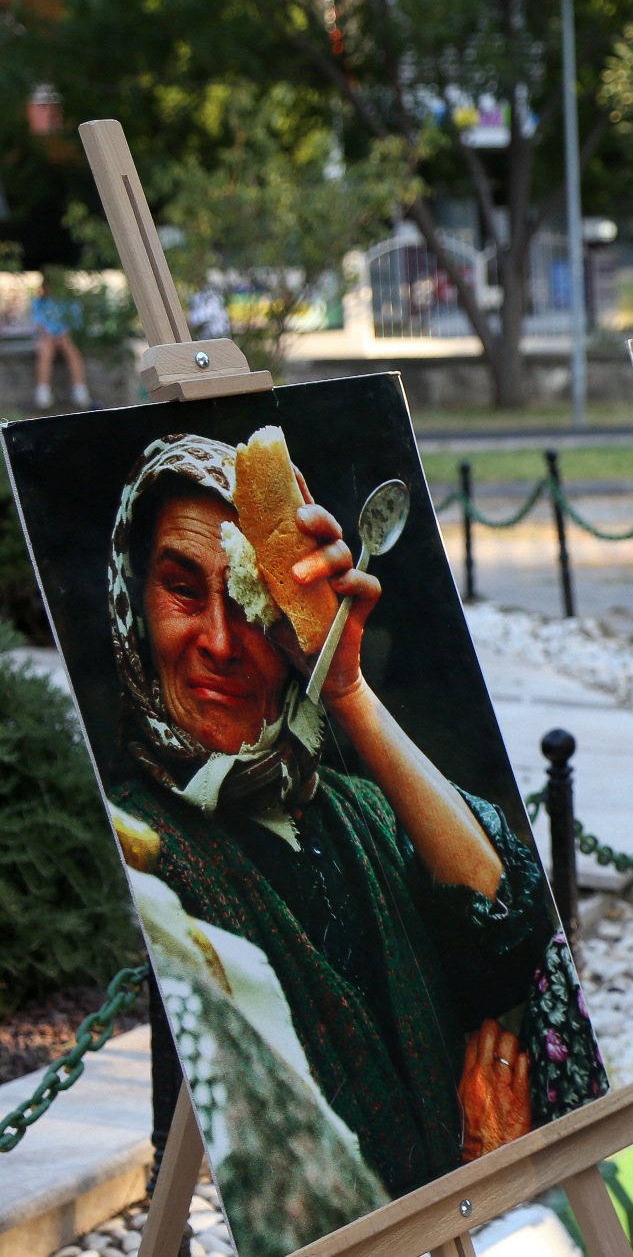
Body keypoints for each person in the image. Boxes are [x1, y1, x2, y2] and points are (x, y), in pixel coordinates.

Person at [100, 434, 603, 1203]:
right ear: (134, 606)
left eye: (247, 600)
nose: (220, 641)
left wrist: (346, 688)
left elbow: (510, 927)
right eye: (181, 590)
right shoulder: (145, 845)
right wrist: (473, 1172)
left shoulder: (351, 805)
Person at [30, 273, 91, 411]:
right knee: (44, 352)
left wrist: (62, 335)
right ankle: (43, 392)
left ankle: (80, 390)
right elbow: (39, 323)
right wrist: (51, 336)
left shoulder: (69, 301)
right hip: (47, 338)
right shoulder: (38, 302)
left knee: (73, 353)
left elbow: (74, 322)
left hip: (64, 337)